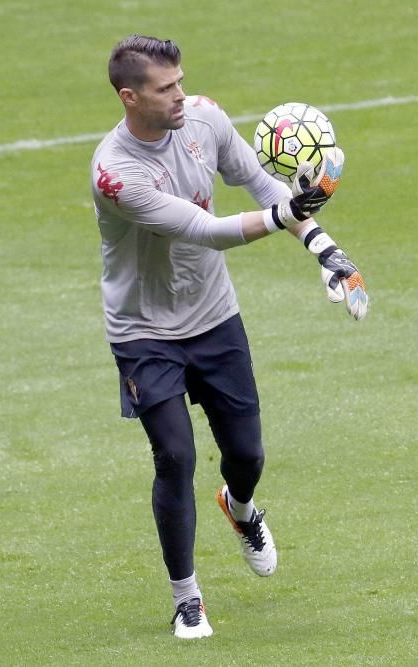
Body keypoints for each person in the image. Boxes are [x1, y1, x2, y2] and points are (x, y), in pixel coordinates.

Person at [90, 34, 369, 640]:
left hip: (214, 317)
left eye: (181, 81)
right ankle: (186, 596)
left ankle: (240, 508)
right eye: (166, 89)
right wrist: (291, 211)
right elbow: (207, 230)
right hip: (144, 332)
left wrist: (329, 252)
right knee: (175, 456)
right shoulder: (115, 174)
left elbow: (264, 187)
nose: (180, 96)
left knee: (247, 455)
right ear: (129, 96)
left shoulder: (205, 119)